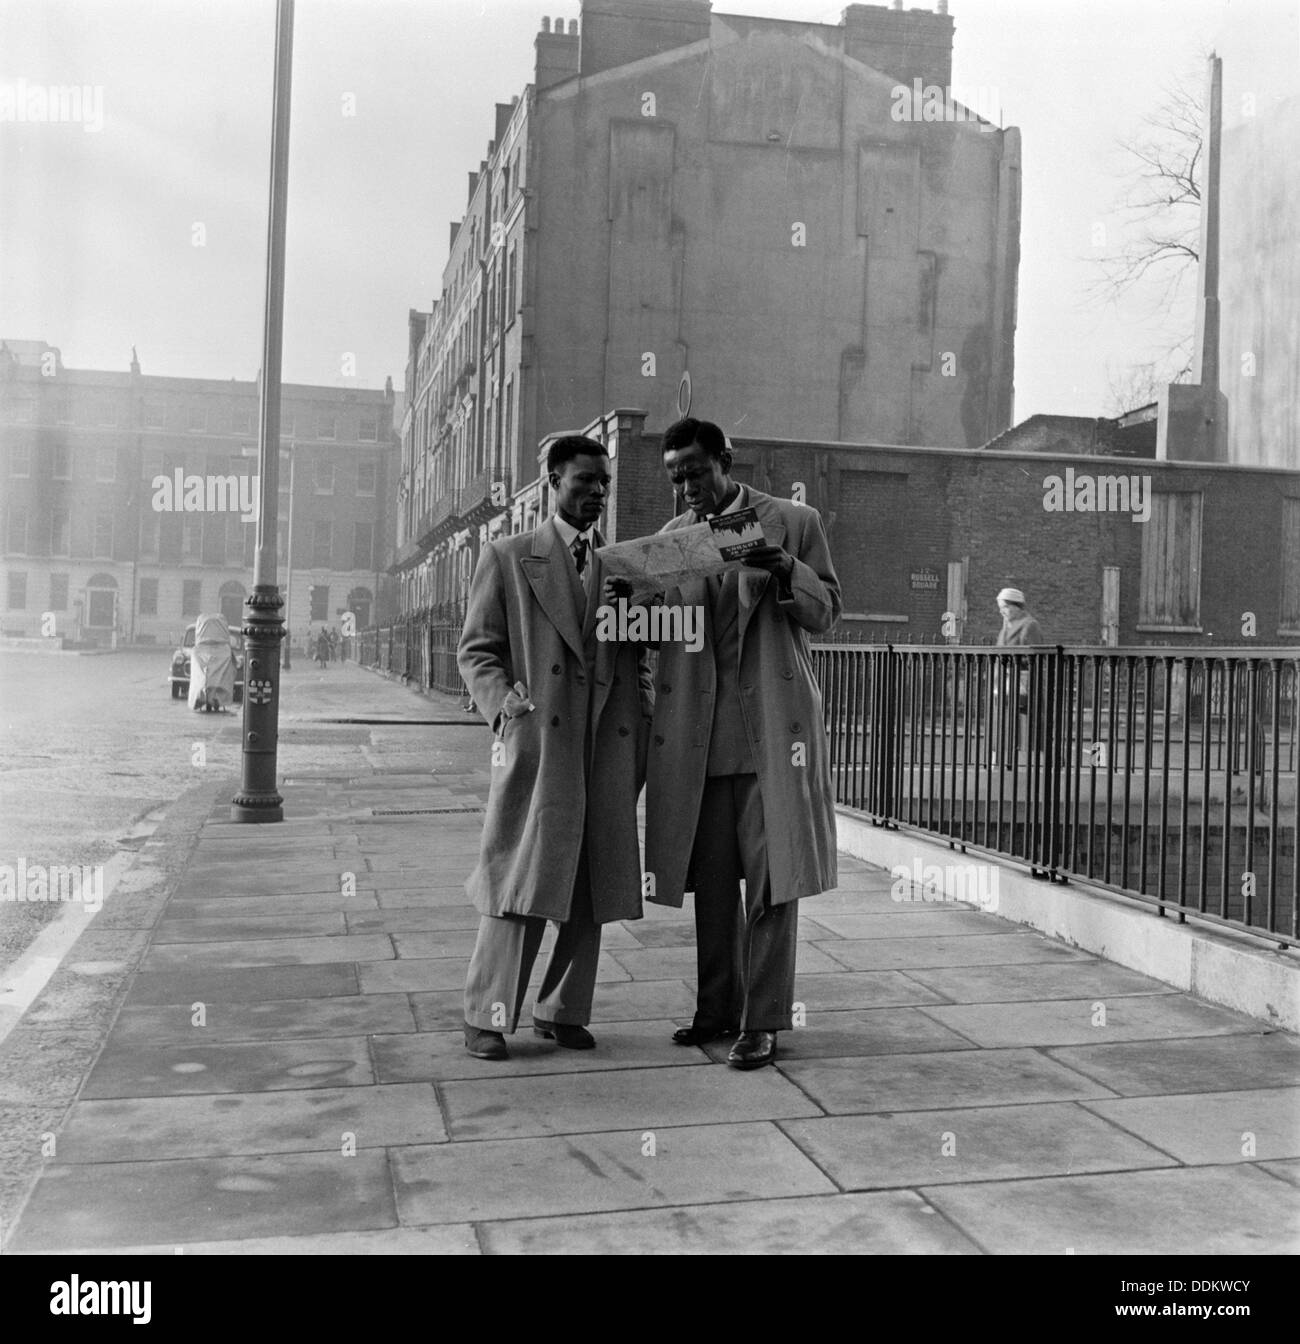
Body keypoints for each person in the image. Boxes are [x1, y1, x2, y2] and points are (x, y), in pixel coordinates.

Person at [641, 417, 841, 1071]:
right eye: (676, 476)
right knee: (715, 885)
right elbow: (653, 628)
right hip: (700, 743)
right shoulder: (674, 539)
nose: (687, 486)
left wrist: (785, 567)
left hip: (772, 739)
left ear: (727, 461)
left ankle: (762, 1022)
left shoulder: (793, 521)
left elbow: (828, 612)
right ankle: (716, 1010)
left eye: (697, 471)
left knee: (772, 883)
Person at [457, 434, 653, 1061]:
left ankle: (563, 1009)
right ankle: (485, 1015)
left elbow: (640, 648)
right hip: (542, 743)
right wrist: (504, 711)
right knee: (519, 878)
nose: (596, 494)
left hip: (605, 745)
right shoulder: (508, 557)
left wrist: (641, 706)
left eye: (603, 483)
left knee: (590, 881)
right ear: (552, 484)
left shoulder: (618, 567)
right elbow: (477, 650)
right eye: (583, 482)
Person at [994, 587, 1047, 761]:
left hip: (1024, 684)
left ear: (1017, 606)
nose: (1002, 611)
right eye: (1000, 607)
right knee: (1007, 723)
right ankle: (1007, 755)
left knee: (1028, 726)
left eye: (1005, 607)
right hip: (1005, 684)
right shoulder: (1006, 627)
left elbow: (1036, 656)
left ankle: (1036, 758)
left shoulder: (1029, 625)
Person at [188, 612, 236, 713]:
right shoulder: (225, 650)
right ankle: (217, 696)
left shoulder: (197, 650)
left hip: (204, 648)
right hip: (219, 649)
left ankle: (202, 694)